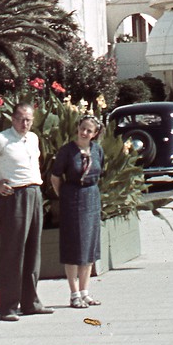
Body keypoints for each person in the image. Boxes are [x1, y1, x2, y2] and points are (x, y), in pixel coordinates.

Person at [0, 103, 55, 322]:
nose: (24, 124)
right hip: (13, 197)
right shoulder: (1, 139)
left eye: (28, 120)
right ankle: (8, 306)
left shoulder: (32, 138)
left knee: (33, 250)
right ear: (12, 119)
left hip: (34, 193)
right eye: (20, 119)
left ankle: (31, 303)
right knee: (12, 252)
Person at [50, 115, 106, 309]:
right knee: (73, 248)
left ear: (95, 134)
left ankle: (85, 292)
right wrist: (64, 197)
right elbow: (55, 177)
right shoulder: (67, 151)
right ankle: (74, 293)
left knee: (89, 247)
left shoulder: (97, 150)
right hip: (72, 199)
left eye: (89, 131)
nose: (84, 133)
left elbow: (101, 172)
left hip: (91, 198)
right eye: (82, 128)